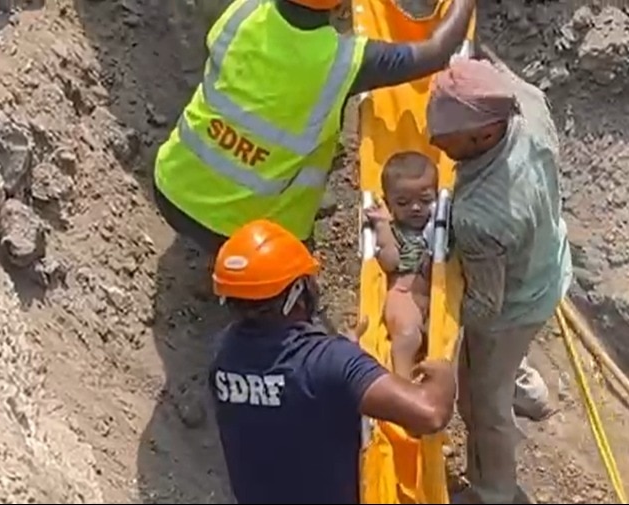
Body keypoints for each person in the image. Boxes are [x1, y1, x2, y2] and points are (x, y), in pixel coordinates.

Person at [153, 0, 476, 256]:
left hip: (170, 185)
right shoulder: (343, 61)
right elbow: (437, 52)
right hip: (236, 234)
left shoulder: (243, 10)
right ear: (340, 7)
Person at [209, 218, 457, 504]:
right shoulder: (329, 363)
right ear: (296, 294)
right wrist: (445, 375)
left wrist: (339, 360)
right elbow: (429, 414)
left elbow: (284, 393)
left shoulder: (223, 355)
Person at [426, 58, 574, 504]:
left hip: (512, 305)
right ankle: (527, 389)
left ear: (483, 135)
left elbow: (484, 308)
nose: (435, 141)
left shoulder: (480, 215)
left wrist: (434, 310)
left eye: (445, 139)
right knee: (509, 361)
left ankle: (493, 491)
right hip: (549, 265)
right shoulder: (524, 100)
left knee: (481, 403)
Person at [366, 151, 437, 379]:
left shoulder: (438, 226)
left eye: (425, 200)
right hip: (403, 293)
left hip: (434, 296)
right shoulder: (395, 229)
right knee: (408, 336)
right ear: (388, 204)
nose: (415, 208)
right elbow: (389, 263)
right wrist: (383, 228)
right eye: (403, 203)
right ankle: (402, 381)